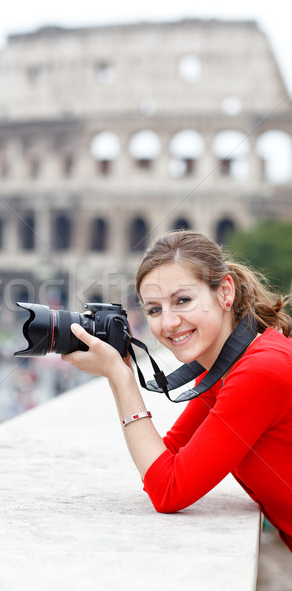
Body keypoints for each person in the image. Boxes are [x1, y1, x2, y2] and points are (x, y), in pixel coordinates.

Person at [62, 230, 292, 552]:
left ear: (225, 292)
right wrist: (122, 368)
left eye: (182, 300)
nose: (168, 323)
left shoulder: (259, 371)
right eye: (154, 309)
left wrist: (120, 377)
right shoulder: (230, 365)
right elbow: (167, 457)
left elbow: (169, 490)